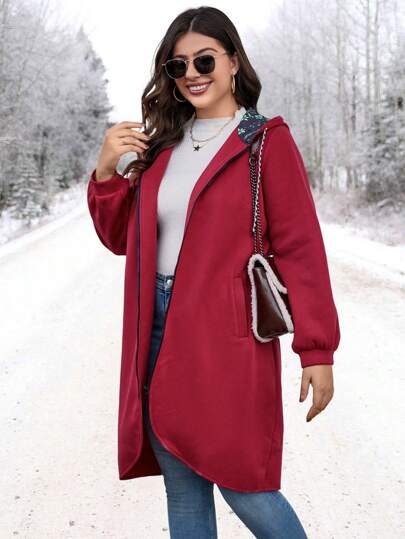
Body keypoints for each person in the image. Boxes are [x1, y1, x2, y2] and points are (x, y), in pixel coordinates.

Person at [87, 6, 340, 538]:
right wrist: (107, 171)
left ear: (232, 63)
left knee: (245, 484)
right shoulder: (161, 147)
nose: (192, 74)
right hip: (155, 328)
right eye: (177, 66)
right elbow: (121, 239)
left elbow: (301, 249)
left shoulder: (263, 140)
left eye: (204, 60)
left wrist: (316, 350)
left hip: (225, 333)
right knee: (183, 490)